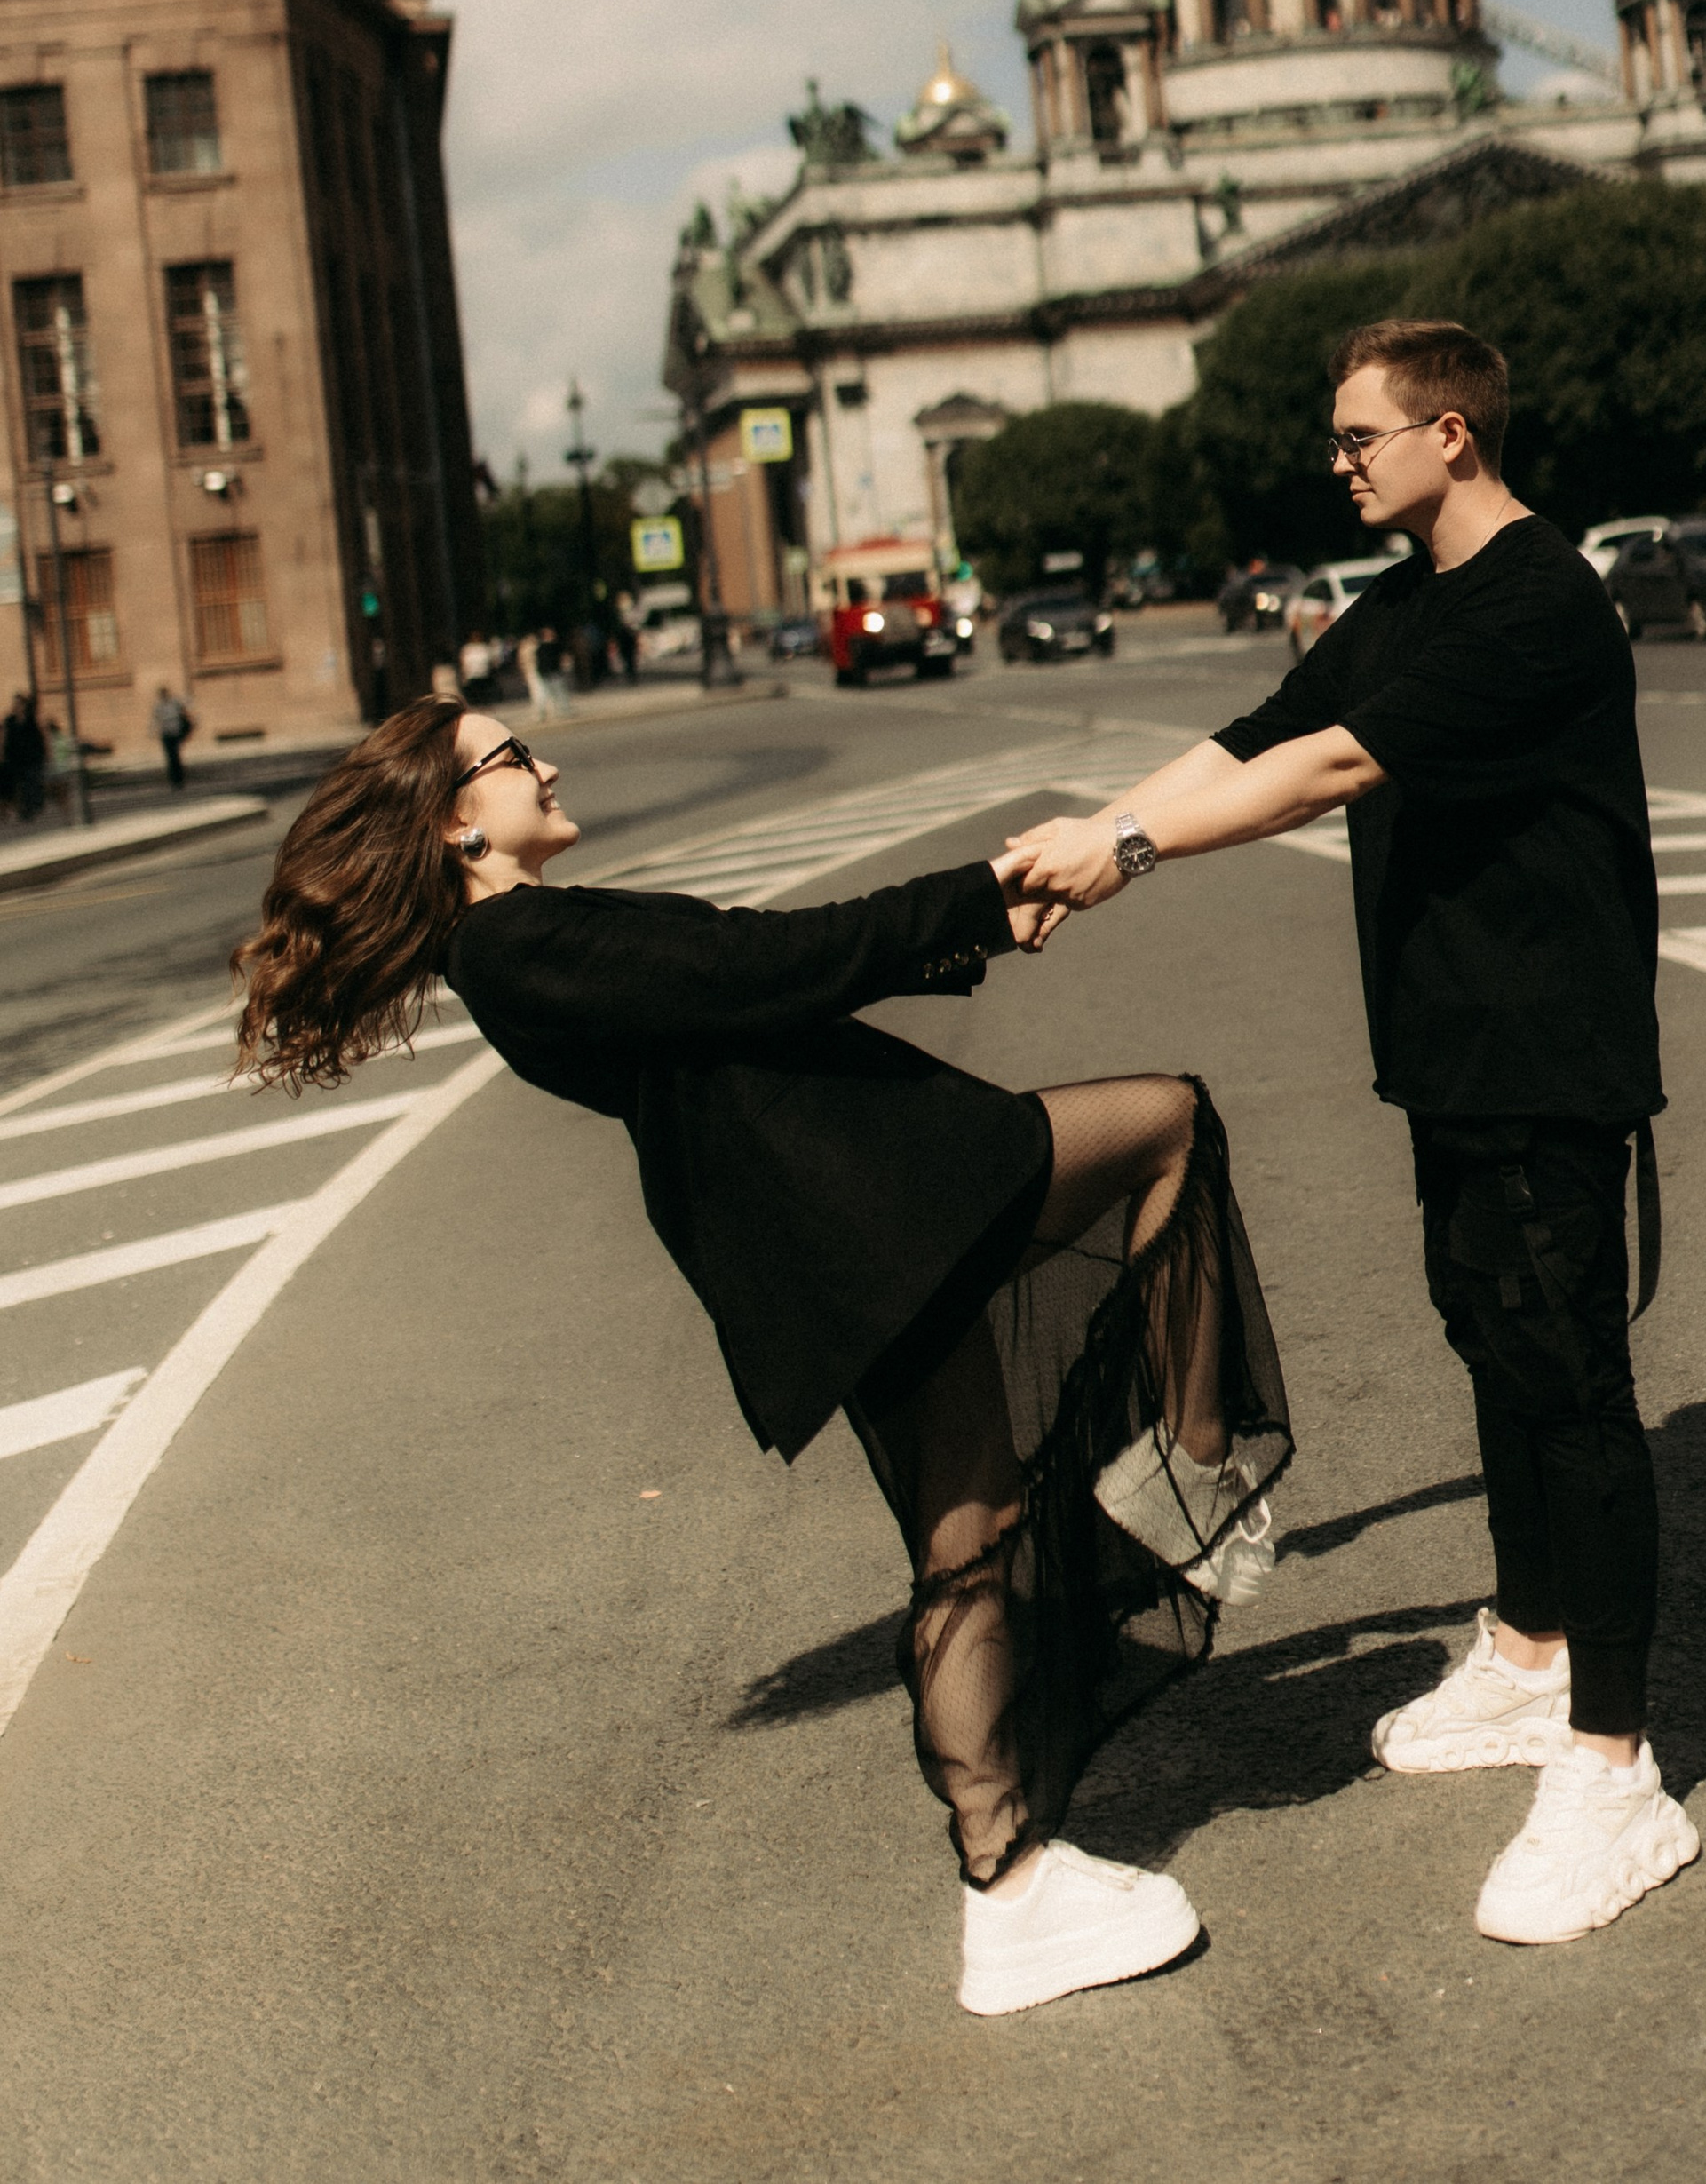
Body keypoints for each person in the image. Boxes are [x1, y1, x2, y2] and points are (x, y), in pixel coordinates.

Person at [230, 699, 1289, 2015]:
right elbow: (771, 964)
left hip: (855, 1230)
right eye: (514, 758)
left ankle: (1008, 1885)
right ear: (456, 819)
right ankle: (1184, 1479)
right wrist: (979, 889)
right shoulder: (516, 947)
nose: (548, 766)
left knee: (971, 1536)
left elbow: (754, 959)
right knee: (1170, 1125)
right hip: (872, 1208)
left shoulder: (532, 934)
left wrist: (978, 923)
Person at [1007, 315, 1697, 1949]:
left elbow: (1329, 764)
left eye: (1359, 436)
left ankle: (1616, 1762)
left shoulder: (1537, 599)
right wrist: (1085, 825)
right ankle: (1531, 1651)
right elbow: (1260, 727)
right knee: (1492, 1341)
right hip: (1453, 1055)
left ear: (1453, 433)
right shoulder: (1403, 604)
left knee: (1570, 1380)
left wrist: (1132, 847)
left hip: (1545, 1054)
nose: (1337, 459)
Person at [4, 690, 47, 824]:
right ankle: (22, 810)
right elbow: (6, 739)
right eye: (17, 704)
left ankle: (31, 809)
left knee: (31, 784)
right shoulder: (10, 721)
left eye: (21, 704)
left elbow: (38, 739)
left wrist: (41, 756)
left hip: (31, 759)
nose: (19, 707)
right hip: (14, 759)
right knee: (17, 786)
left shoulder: (30, 720)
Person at [152, 683, 194, 791]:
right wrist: (152, 731)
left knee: (175, 757)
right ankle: (174, 781)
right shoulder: (158, 706)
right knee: (171, 759)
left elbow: (185, 710)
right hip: (166, 734)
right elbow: (155, 720)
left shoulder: (174, 703)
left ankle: (179, 780)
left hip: (175, 733)